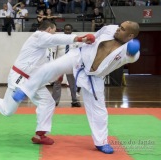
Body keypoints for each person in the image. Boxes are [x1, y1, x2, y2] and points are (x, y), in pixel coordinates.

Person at [12, 21, 140, 154]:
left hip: (94, 77)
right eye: (120, 26)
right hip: (79, 57)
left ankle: (101, 142)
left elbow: (131, 58)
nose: (118, 29)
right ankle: (25, 90)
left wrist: (132, 52)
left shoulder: (130, 51)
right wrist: (87, 40)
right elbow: (95, 36)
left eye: (122, 29)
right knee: (51, 67)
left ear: (130, 35)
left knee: (99, 110)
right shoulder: (110, 29)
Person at [0, 20, 95, 145]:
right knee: (8, 111)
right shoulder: (38, 36)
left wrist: (55, 76)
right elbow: (57, 39)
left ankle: (40, 134)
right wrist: (79, 38)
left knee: (48, 102)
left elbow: (44, 66)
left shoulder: (45, 48)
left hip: (34, 81)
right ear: (49, 29)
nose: (53, 34)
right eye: (53, 31)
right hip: (20, 78)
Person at [52, 24, 81, 107]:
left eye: (69, 30)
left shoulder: (76, 39)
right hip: (60, 63)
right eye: (66, 29)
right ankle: (55, 101)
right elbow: (54, 51)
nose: (67, 31)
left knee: (73, 83)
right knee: (57, 83)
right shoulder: (59, 38)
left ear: (71, 30)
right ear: (63, 30)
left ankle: (75, 101)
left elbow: (78, 52)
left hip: (71, 64)